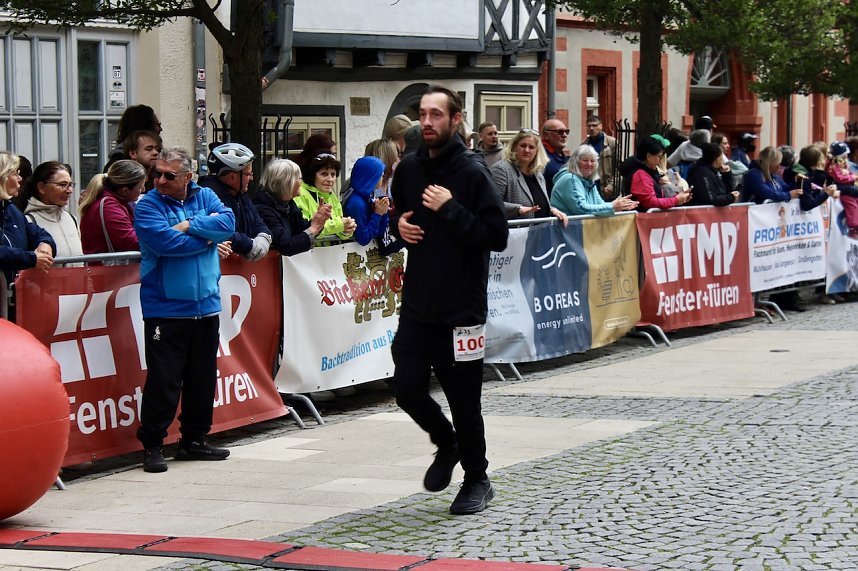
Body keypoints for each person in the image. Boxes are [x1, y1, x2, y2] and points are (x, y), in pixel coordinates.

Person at [389, 85, 508, 515]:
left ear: (456, 120)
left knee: (464, 401)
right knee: (405, 388)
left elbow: (496, 236)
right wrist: (397, 229)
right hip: (420, 302)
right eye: (423, 114)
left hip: (463, 309)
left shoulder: (472, 173)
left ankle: (477, 478)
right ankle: (447, 442)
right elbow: (396, 217)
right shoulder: (409, 169)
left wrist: (451, 208)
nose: (427, 122)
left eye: (437, 114)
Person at [133, 147, 236, 473]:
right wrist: (207, 237)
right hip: (166, 309)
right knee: (164, 380)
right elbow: (165, 244)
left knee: (202, 378)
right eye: (157, 173)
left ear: (188, 177)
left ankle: (194, 440)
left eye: (169, 175)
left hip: (205, 306)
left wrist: (189, 225)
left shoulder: (205, 195)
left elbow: (229, 224)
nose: (160, 180)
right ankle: (152, 444)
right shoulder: (148, 204)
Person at [199, 143, 272, 262]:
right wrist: (248, 245)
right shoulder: (208, 195)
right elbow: (221, 230)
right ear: (232, 177)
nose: (251, 178)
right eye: (248, 174)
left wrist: (263, 236)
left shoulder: (239, 193)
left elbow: (257, 221)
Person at [253, 158, 332, 256]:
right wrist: (313, 229)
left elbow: (300, 230)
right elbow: (285, 246)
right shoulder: (264, 209)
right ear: (286, 182)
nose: (301, 183)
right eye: (299, 178)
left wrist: (318, 220)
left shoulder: (289, 203)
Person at [0, 151, 54, 288]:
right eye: (15, 173)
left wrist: (45, 244)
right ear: (2, 177)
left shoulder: (11, 210)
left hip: (12, 298)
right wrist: (31, 258)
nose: (20, 179)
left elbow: (37, 232)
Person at [491, 128, 567, 225]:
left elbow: (539, 203)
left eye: (531, 147)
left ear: (537, 151)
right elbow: (492, 204)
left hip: (539, 233)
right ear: (514, 147)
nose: (527, 150)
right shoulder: (502, 169)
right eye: (523, 146)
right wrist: (519, 209)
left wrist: (553, 210)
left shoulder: (538, 173)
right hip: (514, 235)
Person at [79, 160, 146, 254]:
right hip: (106, 267)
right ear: (125, 191)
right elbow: (132, 242)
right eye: (140, 187)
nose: (143, 190)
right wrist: (162, 236)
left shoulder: (112, 202)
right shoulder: (110, 208)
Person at [551, 144, 637, 216]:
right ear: (575, 162)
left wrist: (620, 205)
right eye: (585, 160)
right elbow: (581, 208)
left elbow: (599, 204)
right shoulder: (570, 179)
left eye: (592, 161)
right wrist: (612, 206)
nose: (589, 164)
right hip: (566, 232)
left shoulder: (588, 180)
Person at [23, 161, 83, 260]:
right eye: (63, 185)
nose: (69, 190)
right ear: (41, 187)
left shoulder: (71, 219)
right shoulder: (28, 221)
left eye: (70, 185)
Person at [293, 152, 356, 241]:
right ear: (312, 175)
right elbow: (307, 228)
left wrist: (346, 230)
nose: (330, 179)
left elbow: (338, 229)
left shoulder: (331, 195)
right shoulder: (299, 193)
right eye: (324, 174)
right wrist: (340, 225)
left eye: (333, 174)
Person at [628, 136, 692, 211]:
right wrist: (676, 200)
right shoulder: (641, 175)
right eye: (659, 157)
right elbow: (651, 203)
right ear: (648, 156)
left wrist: (680, 198)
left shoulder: (648, 172)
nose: (660, 161)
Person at [104, 104, 162, 171]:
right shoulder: (118, 166)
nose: (160, 129)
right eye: (149, 149)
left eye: (157, 149)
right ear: (133, 153)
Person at [686, 142, 737, 206]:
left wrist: (726, 174)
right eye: (722, 157)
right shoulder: (703, 173)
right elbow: (711, 199)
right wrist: (730, 198)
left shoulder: (713, 172)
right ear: (717, 159)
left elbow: (725, 191)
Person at [581, 115, 617, 198]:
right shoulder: (583, 145)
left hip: (607, 188)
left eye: (594, 125)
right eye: (589, 126)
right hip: (590, 187)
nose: (591, 128)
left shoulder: (611, 143)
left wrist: (612, 186)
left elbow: (619, 168)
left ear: (601, 126)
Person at [827, 141, 858, 236]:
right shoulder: (833, 167)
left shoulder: (842, 165)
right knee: (852, 205)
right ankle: (853, 226)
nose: (846, 159)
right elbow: (840, 178)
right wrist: (852, 177)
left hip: (848, 188)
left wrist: (853, 175)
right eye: (844, 156)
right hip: (843, 191)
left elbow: (849, 173)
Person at [541, 118, 570, 196]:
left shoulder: (561, 155)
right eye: (559, 132)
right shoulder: (540, 156)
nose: (564, 135)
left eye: (566, 132)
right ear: (546, 135)